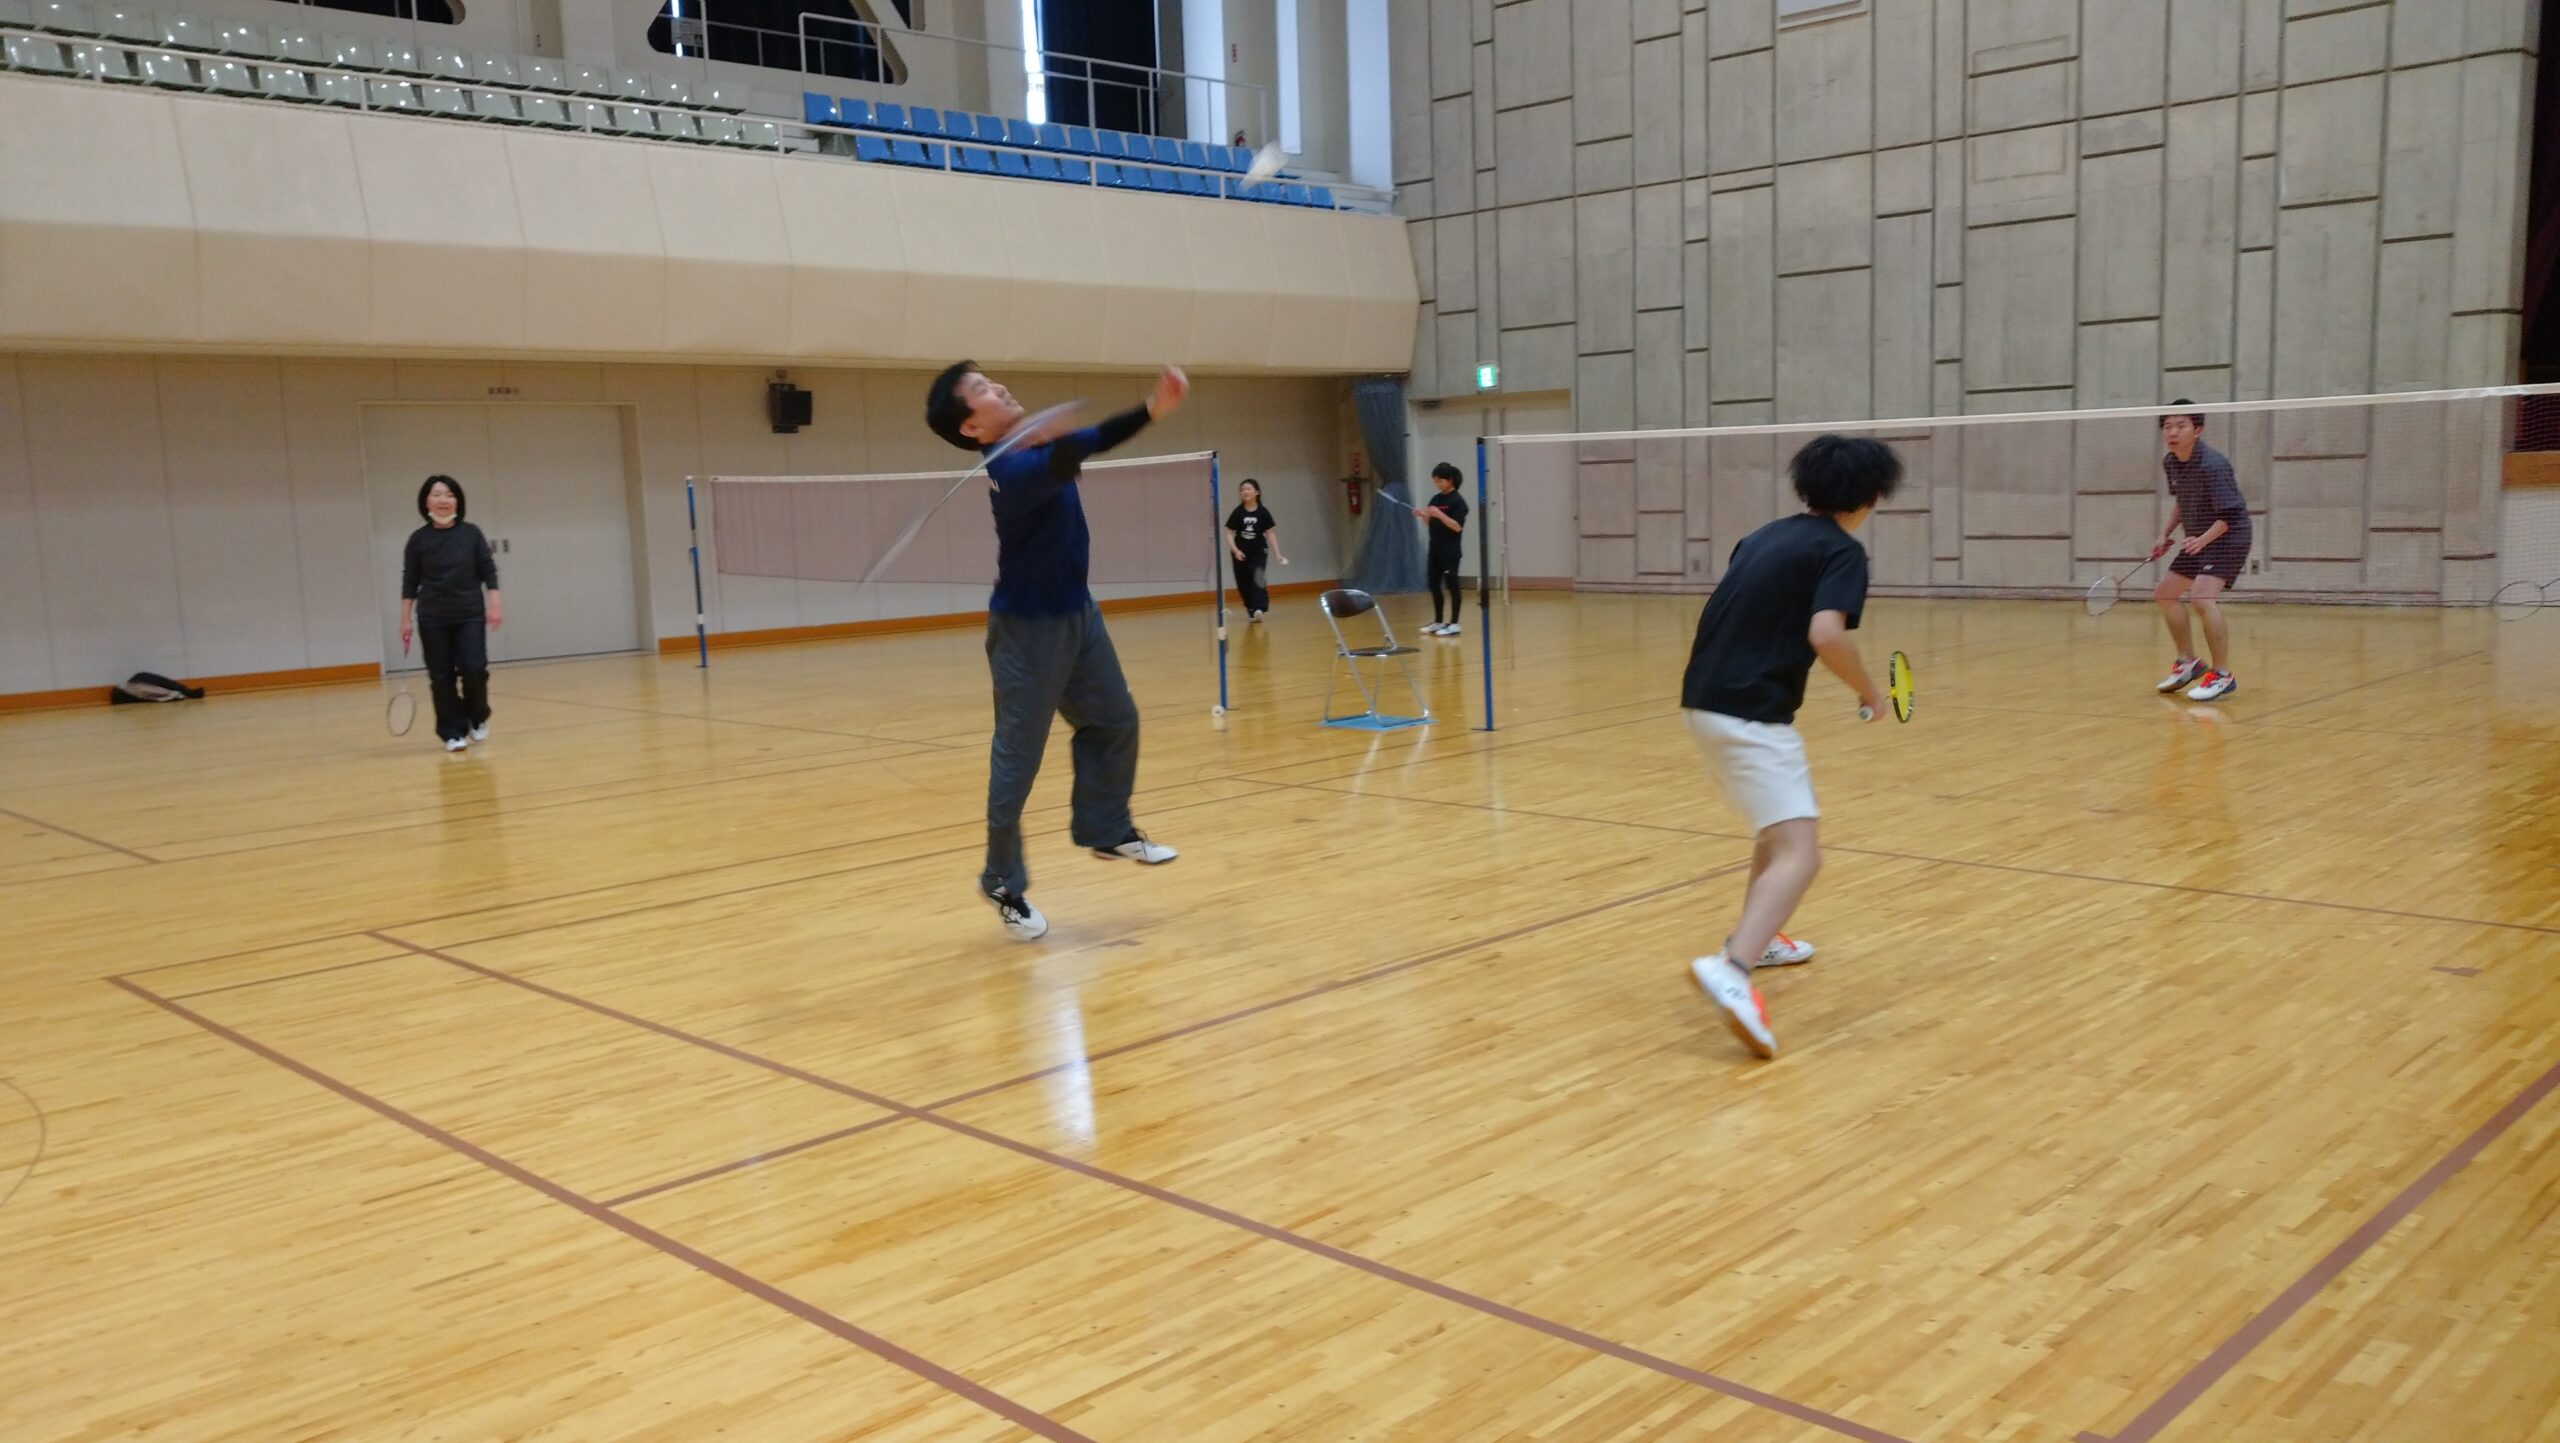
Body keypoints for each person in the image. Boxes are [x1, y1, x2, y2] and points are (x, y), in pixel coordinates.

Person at [927, 361, 1188, 943]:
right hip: (1028, 631)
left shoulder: (1027, 451)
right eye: (981, 390)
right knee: (1017, 761)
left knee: (1114, 720)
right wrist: (1128, 416)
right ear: (971, 427)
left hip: (1078, 612)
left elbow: (1078, 445)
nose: (998, 387)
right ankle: (1002, 881)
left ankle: (1106, 827)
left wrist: (1146, 411)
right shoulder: (1012, 468)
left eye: (990, 380)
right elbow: (1076, 452)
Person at [1679, 434, 1901, 1059]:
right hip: (1752, 714)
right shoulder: (1843, 552)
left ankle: (1763, 938)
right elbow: (1825, 633)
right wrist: (1869, 691)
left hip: (1703, 702)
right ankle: (1733, 968)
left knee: (1774, 833)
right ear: (1871, 495)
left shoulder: (1763, 536)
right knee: (1802, 854)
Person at [2153, 402, 2252, 702]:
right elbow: (2181, 501)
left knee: (2201, 597)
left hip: (2228, 537)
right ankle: (2189, 662)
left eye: (2180, 426)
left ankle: (2222, 674)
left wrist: (2201, 541)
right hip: (2199, 538)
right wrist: (2165, 534)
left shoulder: (2213, 465)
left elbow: (2229, 515)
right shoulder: (2172, 462)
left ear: (2197, 430)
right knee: (2165, 594)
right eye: (2167, 426)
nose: (2172, 432)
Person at [398, 475, 502, 754]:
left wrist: (495, 605)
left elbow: (488, 570)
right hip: (433, 617)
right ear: (426, 502)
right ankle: (452, 732)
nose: (443, 500)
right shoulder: (418, 540)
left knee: (474, 668)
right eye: (437, 494)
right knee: (441, 676)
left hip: (469, 614)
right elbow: (410, 581)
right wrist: (405, 619)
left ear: (458, 501)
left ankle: (477, 716)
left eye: (449, 494)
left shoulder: (471, 534)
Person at [1416, 462, 1469, 635]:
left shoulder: (1458, 501)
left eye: (1440, 481)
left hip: (1450, 551)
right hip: (1435, 550)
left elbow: (1457, 526)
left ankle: (1454, 623)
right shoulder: (1436, 499)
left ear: (1450, 480)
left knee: (1452, 584)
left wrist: (1439, 514)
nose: (1437, 484)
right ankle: (1438, 621)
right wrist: (1423, 515)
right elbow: (1430, 523)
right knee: (1433, 584)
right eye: (1435, 481)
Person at [1225, 478, 1287, 621]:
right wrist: (1236, 550)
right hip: (1240, 551)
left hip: (1258, 550)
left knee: (1258, 577)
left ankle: (1259, 607)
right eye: (1242, 490)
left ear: (1257, 492)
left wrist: (1278, 554)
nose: (1244, 492)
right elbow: (1228, 533)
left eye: (1248, 489)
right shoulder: (1238, 512)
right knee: (1243, 582)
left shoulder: (1263, 512)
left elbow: (1270, 533)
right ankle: (1251, 609)